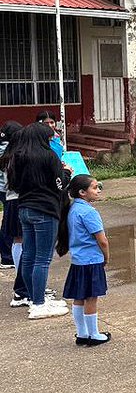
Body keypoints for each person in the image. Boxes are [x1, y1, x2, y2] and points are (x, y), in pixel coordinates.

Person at [8, 122, 71, 319]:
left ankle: (34, 297)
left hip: (25, 208)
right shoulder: (48, 156)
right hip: (44, 210)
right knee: (42, 259)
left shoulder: (18, 157)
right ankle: (38, 303)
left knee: (29, 255)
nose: (52, 140)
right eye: (50, 137)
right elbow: (59, 184)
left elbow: (14, 184)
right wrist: (67, 171)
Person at [57, 174, 111, 347]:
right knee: (91, 298)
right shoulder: (89, 212)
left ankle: (82, 333)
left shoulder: (73, 209)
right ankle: (93, 334)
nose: (98, 191)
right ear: (82, 192)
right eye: (94, 188)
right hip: (91, 260)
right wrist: (106, 257)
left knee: (79, 297)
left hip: (78, 260)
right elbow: (102, 240)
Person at [0, 121, 18, 270]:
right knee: (8, 223)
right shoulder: (9, 149)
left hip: (4, 188)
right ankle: (7, 257)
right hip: (6, 190)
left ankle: (6, 256)